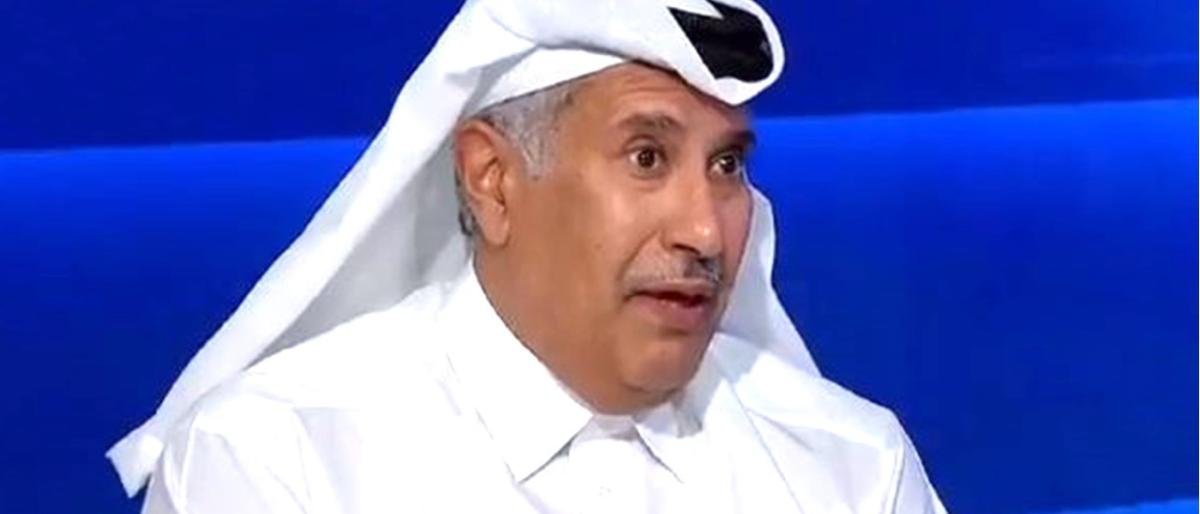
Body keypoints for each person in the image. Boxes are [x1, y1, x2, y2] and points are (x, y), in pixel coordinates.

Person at [111, 0, 948, 512]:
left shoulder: (852, 466)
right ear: (493, 180)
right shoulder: (277, 461)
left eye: (726, 165)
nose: (704, 231)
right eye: (647, 157)